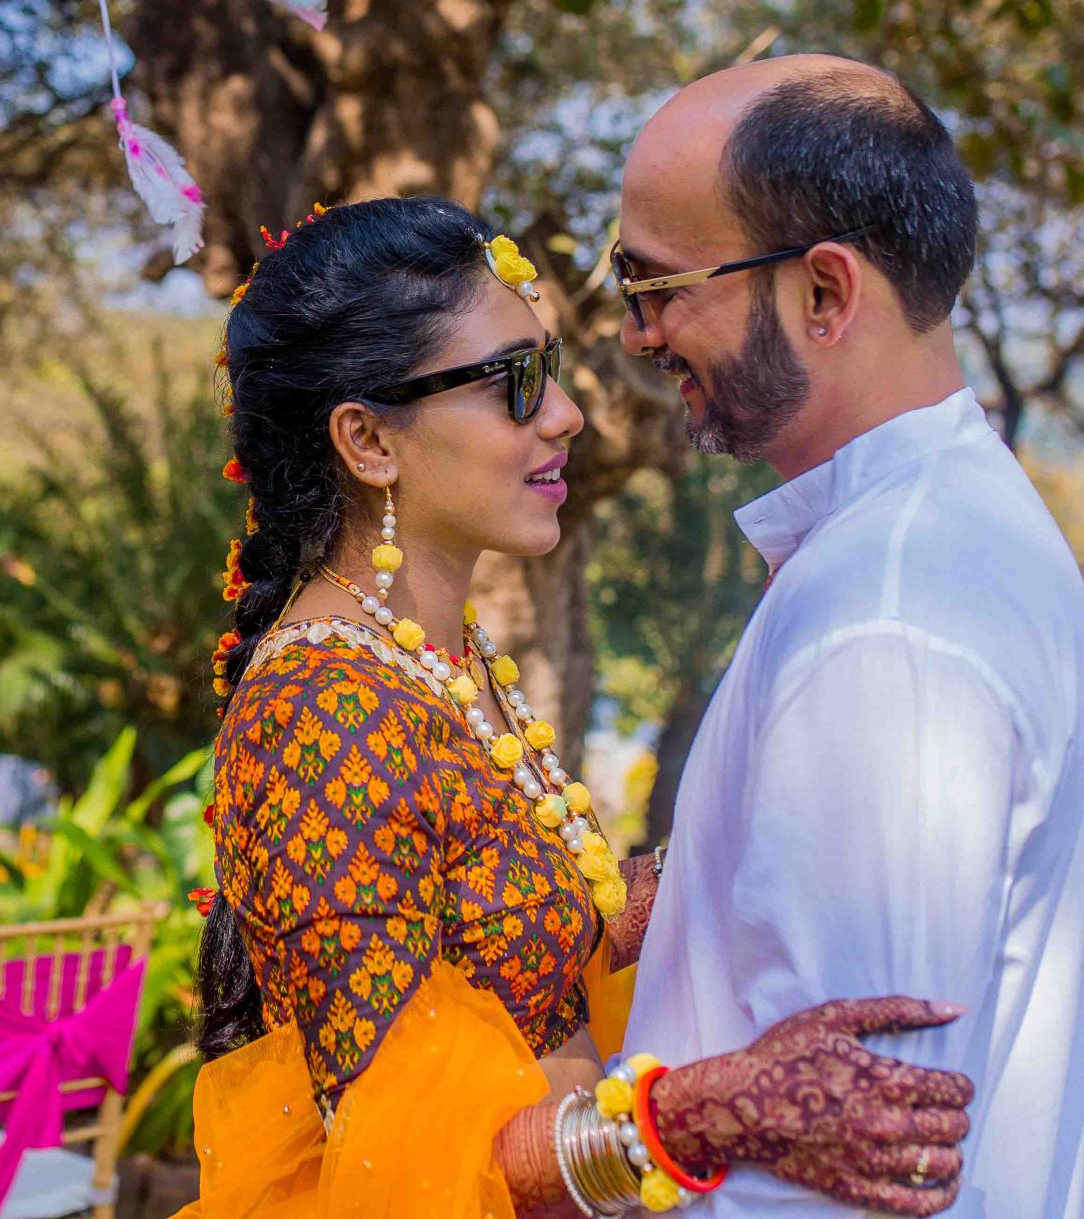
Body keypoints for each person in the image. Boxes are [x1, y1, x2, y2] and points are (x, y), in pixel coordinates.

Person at [183, 197, 976, 1219]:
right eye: (514, 382)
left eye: (548, 370)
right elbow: (393, 1155)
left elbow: (530, 941)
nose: (564, 415)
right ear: (366, 441)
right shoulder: (321, 710)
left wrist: (782, 808)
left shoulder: (431, 659)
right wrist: (701, 1118)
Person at [609, 58, 1084, 1216]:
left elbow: (847, 1170)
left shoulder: (888, 616)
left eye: (656, 288)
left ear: (823, 294)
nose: (634, 335)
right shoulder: (935, 538)